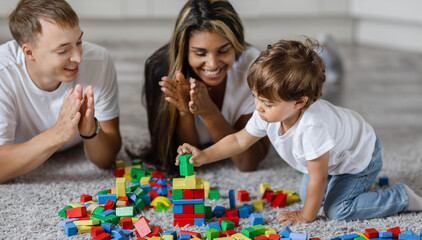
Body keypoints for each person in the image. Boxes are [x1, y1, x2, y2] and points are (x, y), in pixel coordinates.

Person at [176, 38, 422, 224]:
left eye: (267, 103)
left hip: (360, 158)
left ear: (300, 102)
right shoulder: (267, 113)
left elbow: (319, 177)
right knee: (310, 197)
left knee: (336, 210)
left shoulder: (313, 126)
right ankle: (350, 189)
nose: (257, 107)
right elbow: (239, 141)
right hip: (330, 158)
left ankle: (401, 197)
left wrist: (305, 216)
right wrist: (204, 155)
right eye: (255, 97)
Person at [0, 0, 122, 183]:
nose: (78, 57)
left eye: (79, 42)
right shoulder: (4, 73)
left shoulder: (99, 62)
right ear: (29, 52)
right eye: (63, 50)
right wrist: (57, 134)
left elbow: (106, 160)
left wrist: (90, 131)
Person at [142, 0, 270, 172]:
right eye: (200, 53)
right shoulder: (161, 70)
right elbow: (182, 162)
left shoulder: (253, 69)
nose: (212, 65)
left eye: (223, 50)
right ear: (184, 50)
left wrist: (209, 112)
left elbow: (248, 162)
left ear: (236, 45)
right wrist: (184, 112)